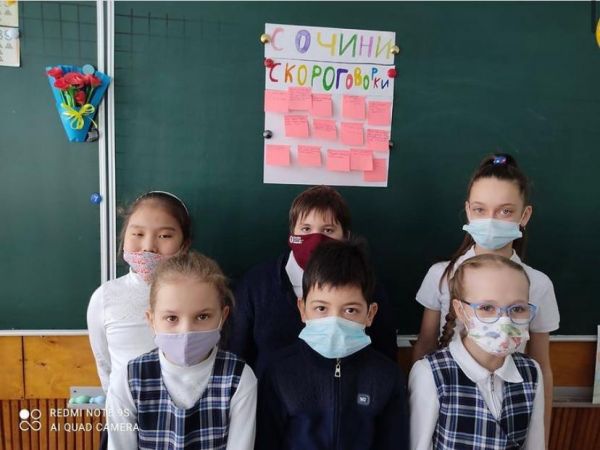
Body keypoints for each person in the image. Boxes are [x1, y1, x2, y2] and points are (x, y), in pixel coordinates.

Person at [412, 154, 558, 438]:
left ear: (524, 215)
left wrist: (542, 431)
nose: (490, 221)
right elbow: (425, 344)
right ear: (468, 211)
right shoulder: (441, 275)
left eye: (505, 211)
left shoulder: (539, 285)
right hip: (447, 401)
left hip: (510, 401)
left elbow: (542, 366)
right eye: (480, 209)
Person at [229, 185, 397, 377]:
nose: (316, 239)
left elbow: (385, 359)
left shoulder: (366, 285)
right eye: (306, 229)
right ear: (292, 233)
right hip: (270, 392)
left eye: (328, 230)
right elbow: (237, 357)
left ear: (346, 237)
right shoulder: (256, 284)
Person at [257, 239, 409, 450]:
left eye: (350, 310)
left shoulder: (387, 376)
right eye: (321, 308)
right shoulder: (278, 372)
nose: (335, 321)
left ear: (370, 314)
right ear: (302, 309)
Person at [106, 250, 257, 449]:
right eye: (171, 318)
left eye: (202, 317)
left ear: (223, 316)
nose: (186, 331)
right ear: (152, 320)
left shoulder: (239, 378)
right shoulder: (127, 380)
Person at [410, 254, 544, 450]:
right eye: (487, 307)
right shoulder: (430, 373)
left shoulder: (531, 372)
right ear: (460, 310)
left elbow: (535, 445)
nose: (505, 321)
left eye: (517, 309)